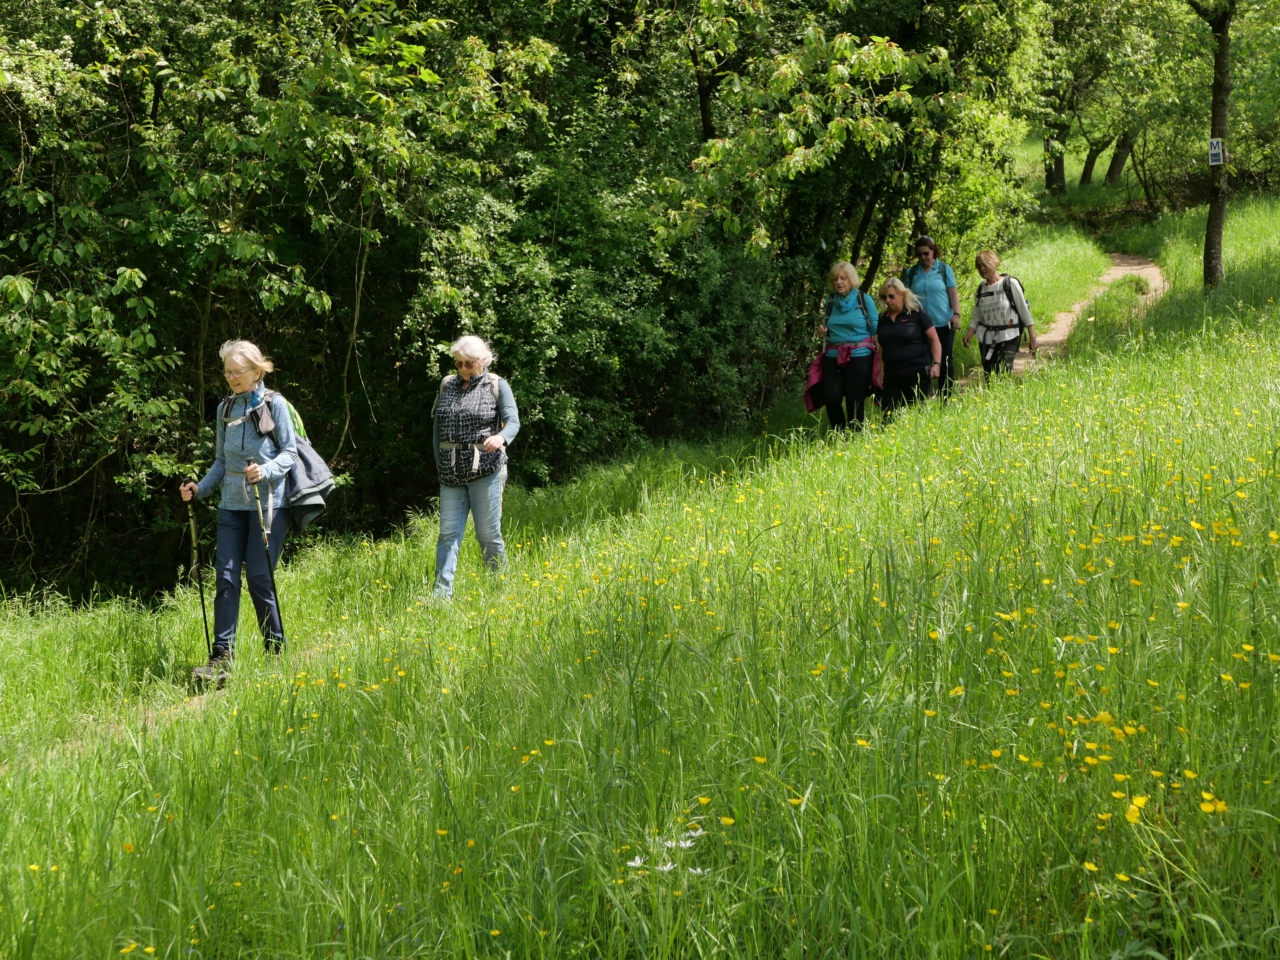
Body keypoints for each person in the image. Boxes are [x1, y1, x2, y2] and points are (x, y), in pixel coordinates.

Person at [180, 340, 297, 682]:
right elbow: (220, 462)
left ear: (256, 370)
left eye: (237, 371)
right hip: (231, 506)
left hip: (268, 505)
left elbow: (290, 454)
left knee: (260, 578)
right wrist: (199, 489)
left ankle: (276, 651)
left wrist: (266, 470)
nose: (231, 376)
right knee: (226, 578)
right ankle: (221, 658)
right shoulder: (225, 409)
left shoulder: (276, 405)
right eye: (227, 371)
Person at [432, 335, 520, 599]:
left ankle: (500, 590)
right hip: (451, 474)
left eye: (467, 364)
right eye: (458, 363)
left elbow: (513, 421)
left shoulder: (497, 385)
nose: (461, 369)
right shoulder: (447, 384)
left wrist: (501, 437)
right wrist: (439, 464)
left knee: (488, 536)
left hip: (487, 471)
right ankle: (441, 597)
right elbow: (437, 429)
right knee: (447, 535)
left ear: (482, 361)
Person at [817, 260, 879, 430]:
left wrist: (882, 359)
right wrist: (822, 331)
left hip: (860, 356)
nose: (839, 282)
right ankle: (839, 433)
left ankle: (856, 436)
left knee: (855, 399)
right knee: (831, 397)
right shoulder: (830, 301)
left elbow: (875, 330)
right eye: (836, 279)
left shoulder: (864, 300)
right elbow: (828, 327)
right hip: (833, 355)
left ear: (851, 279)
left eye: (843, 278)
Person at [963, 249, 1038, 378]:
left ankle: (1005, 397)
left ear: (994, 263)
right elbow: (976, 315)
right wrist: (970, 332)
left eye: (984, 265)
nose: (981, 269)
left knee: (1003, 375)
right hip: (985, 338)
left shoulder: (1010, 284)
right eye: (979, 266)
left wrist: (1033, 337)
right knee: (989, 377)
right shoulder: (981, 289)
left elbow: (1023, 311)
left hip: (1008, 336)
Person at [875, 278, 941, 417]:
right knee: (889, 416)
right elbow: (882, 345)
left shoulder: (916, 314)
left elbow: (934, 339)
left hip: (917, 373)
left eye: (891, 296)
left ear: (902, 295)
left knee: (917, 416)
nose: (887, 300)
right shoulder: (882, 318)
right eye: (884, 297)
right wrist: (881, 371)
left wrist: (937, 364)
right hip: (892, 375)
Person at [904, 236, 960, 398]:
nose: (923, 257)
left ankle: (946, 397)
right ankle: (922, 398)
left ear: (934, 251)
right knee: (923, 361)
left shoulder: (943, 269)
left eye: (926, 253)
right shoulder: (912, 273)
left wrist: (956, 314)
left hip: (944, 323)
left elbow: (953, 294)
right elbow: (906, 298)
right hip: (920, 326)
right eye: (919, 254)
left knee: (945, 359)